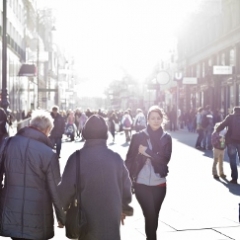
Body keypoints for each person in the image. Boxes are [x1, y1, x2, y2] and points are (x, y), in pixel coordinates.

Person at [58, 114, 133, 240]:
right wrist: (124, 207)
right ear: (105, 133)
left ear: (85, 132)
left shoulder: (76, 158)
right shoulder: (115, 158)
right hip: (111, 215)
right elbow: (126, 186)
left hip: (85, 218)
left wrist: (62, 213)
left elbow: (65, 190)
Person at [0, 110, 65, 240]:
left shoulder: (8, 143)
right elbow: (56, 191)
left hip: (11, 211)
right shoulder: (49, 153)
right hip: (38, 216)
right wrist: (62, 218)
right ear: (46, 129)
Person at [125, 105, 172, 240]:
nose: (156, 121)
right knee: (149, 213)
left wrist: (148, 152)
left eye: (158, 118)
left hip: (160, 183)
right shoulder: (138, 137)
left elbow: (165, 160)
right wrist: (127, 181)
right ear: (148, 120)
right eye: (153, 118)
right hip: (141, 182)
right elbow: (129, 159)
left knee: (155, 214)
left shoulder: (166, 137)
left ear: (162, 119)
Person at [214, 106, 240, 184]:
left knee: (232, 160)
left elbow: (222, 125)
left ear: (233, 111)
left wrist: (216, 131)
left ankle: (234, 178)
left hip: (231, 141)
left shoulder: (230, 117)